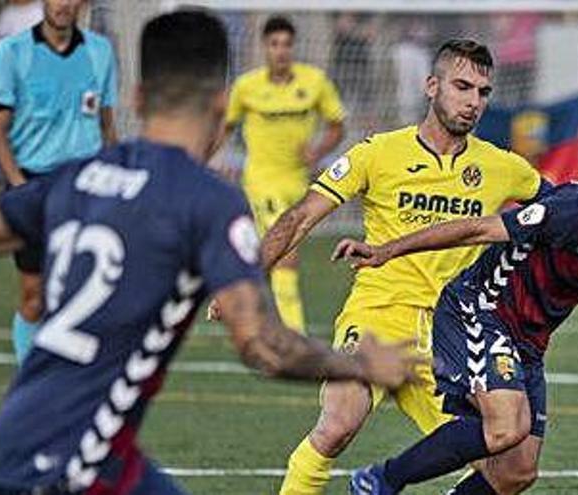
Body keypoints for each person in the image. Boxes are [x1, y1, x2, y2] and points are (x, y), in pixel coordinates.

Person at [0, 10, 420, 495]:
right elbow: (263, 346)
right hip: (72, 461)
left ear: (137, 98)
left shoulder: (76, 177)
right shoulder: (207, 201)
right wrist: (361, 366)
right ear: (221, 103)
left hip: (32, 441)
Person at [231, 38, 547, 495]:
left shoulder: (503, 167)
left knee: (508, 470)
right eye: (462, 86)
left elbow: (563, 211)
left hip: (452, 334)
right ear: (431, 86)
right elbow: (301, 216)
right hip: (378, 317)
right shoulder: (376, 153)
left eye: (482, 92)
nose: (473, 101)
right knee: (339, 423)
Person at [341, 134, 578, 495]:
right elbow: (480, 228)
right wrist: (386, 251)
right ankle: (378, 482)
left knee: (516, 473)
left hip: (529, 341)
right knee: (505, 426)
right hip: (479, 308)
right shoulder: (577, 208)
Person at [0, 0, 118, 363]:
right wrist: (19, 185)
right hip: (32, 182)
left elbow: (106, 126)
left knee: (84, 292)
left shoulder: (100, 52)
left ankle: (73, 378)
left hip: (86, 185)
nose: (63, 4)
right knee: (34, 296)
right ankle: (30, 377)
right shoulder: (12, 52)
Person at [220, 15, 345, 332]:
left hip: (299, 183)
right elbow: (225, 127)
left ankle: (248, 315)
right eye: (274, 44)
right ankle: (293, 334)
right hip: (262, 182)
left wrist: (317, 152)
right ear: (265, 47)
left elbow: (336, 125)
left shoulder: (314, 82)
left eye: (287, 44)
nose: (281, 51)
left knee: (267, 254)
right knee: (285, 254)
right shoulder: (247, 86)